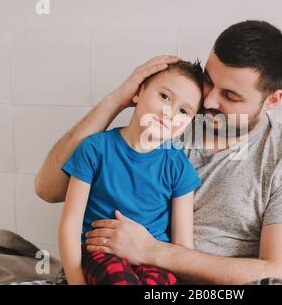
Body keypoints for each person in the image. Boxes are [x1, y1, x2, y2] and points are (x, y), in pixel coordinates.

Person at [35, 20, 282, 285]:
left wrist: (152, 251)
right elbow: (48, 189)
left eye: (230, 95)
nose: (207, 101)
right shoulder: (170, 122)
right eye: (209, 81)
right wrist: (118, 100)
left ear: (273, 99)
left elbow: (279, 272)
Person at [58, 61, 203, 285]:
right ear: (138, 93)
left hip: (154, 261)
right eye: (165, 97)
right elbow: (70, 226)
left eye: (183, 111)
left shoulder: (179, 166)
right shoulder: (95, 149)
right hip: (101, 254)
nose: (170, 113)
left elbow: (183, 246)